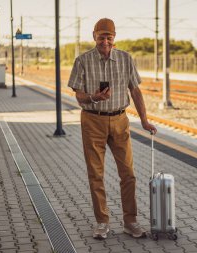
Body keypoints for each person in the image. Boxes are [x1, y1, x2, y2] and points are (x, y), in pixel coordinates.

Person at [68, 18, 157, 239]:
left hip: (120, 120)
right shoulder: (83, 60)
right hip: (92, 120)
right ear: (94, 36)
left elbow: (135, 92)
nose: (105, 41)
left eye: (109, 37)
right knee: (95, 174)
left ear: (114, 37)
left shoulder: (126, 59)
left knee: (128, 174)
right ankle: (102, 222)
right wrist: (93, 97)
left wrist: (144, 121)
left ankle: (130, 221)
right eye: (101, 36)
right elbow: (78, 95)